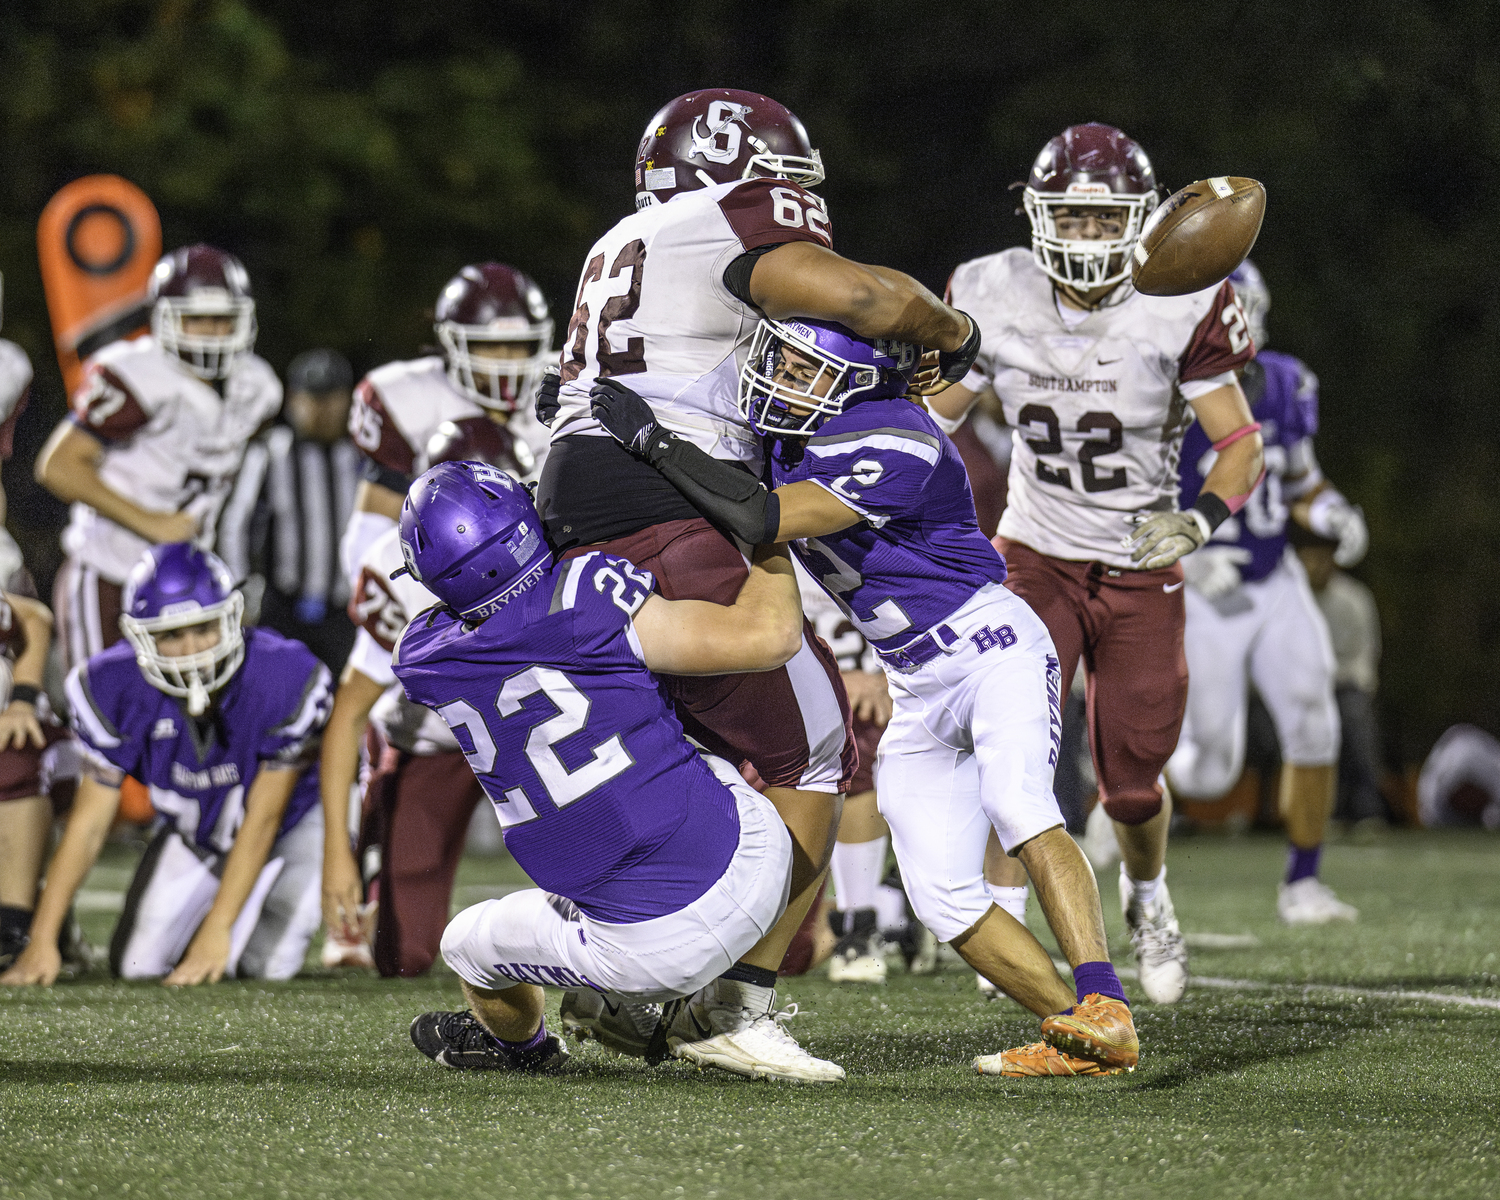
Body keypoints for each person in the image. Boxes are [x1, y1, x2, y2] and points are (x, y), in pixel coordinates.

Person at [535, 89, 978, 1074]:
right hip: (665, 488)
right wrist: (952, 330)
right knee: (818, 747)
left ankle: (614, 991)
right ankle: (730, 1007)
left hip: (575, 495)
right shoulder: (726, 217)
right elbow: (862, 299)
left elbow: (863, 283)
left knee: (667, 751)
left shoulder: (627, 239)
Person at [590, 316, 1142, 1078]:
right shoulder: (791, 428)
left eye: (806, 369)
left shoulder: (898, 435)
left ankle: (1105, 998)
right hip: (914, 677)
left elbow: (765, 515)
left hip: (989, 646)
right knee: (942, 897)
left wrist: (655, 443)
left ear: (856, 381)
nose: (781, 378)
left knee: (1018, 805)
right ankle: (1083, 1038)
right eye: (781, 359)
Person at [932, 123, 1263, 1004]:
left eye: (1101, 219)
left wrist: (1199, 518)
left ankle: (1148, 895)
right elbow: (937, 419)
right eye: (1068, 219)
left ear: (1140, 222)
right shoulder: (991, 290)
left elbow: (1239, 446)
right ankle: (1005, 910)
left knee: (1130, 783)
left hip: (1138, 558)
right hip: (1034, 550)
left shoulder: (1184, 300)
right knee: (1014, 748)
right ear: (1040, 218)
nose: (1083, 237)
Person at [390, 461, 816, 1079]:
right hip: (758, 856)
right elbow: (773, 635)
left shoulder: (423, 659)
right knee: (663, 715)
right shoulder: (583, 589)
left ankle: (528, 1048)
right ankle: (700, 1002)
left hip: (650, 956)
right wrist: (770, 529)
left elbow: (473, 627)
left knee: (465, 945)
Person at [0, 545, 332, 986]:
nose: (191, 650)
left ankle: (238, 907)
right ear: (139, 636)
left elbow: (265, 817)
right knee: (138, 963)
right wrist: (41, 938)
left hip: (290, 824)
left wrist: (217, 929)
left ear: (232, 617)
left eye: (203, 629)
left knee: (265, 967)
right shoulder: (110, 685)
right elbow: (89, 824)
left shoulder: (282, 674)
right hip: (197, 829)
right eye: (171, 635)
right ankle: (214, 904)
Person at [1167, 261, 1366, 922]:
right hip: (1206, 590)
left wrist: (1333, 511)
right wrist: (1187, 564)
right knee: (1208, 773)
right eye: (1229, 307)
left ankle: (1302, 883)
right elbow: (1131, 504)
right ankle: (1135, 786)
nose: (1240, 321)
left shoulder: (1285, 382)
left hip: (1273, 576)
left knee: (1316, 718)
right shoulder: (1165, 390)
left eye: (1246, 305)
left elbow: (1300, 483)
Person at [320, 418, 527, 976]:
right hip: (436, 740)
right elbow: (348, 714)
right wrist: (336, 852)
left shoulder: (553, 538)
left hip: (533, 734)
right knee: (403, 953)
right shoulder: (397, 570)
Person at [35, 244, 282, 673]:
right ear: (166, 317)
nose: (211, 332)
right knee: (107, 710)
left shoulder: (257, 386)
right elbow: (57, 466)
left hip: (189, 579)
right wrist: (154, 523)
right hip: (112, 570)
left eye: (222, 319)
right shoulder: (137, 374)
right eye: (197, 318)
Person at [339, 263, 553, 585]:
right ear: (452, 342)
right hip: (445, 578)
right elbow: (370, 536)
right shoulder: (406, 400)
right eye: (490, 345)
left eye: (518, 344)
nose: (507, 360)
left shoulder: (567, 388)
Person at [218, 348, 362, 671]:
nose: (322, 409)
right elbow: (235, 526)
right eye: (313, 398)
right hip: (283, 608)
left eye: (331, 397)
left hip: (348, 612)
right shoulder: (270, 452)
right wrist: (238, 594)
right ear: (293, 398)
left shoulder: (363, 457)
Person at [1299, 536, 1386, 827]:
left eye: (1320, 558)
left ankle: (1367, 808)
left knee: (1354, 720)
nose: (1314, 566)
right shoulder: (1293, 601)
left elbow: (1364, 653)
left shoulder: (1354, 598)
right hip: (1304, 691)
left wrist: (1348, 684)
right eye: (1308, 558)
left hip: (1345, 685)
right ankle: (1323, 812)